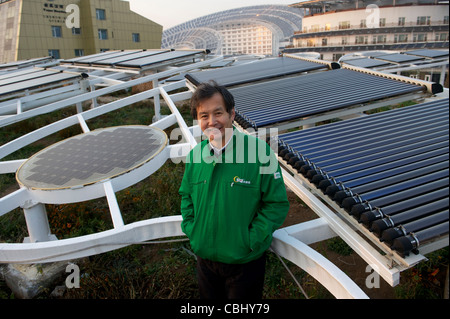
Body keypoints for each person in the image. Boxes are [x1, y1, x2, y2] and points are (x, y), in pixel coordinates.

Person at [179, 81, 290, 299]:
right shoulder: (195, 156)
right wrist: (193, 230)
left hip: (244, 263)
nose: (212, 122)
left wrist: (250, 240)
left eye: (218, 113)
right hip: (205, 259)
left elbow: (276, 204)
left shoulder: (259, 153)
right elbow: (186, 196)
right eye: (204, 116)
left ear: (232, 114)